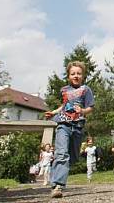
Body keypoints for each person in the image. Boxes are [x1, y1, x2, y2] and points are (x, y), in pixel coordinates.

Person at [44, 61, 95, 198]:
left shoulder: (86, 90)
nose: (76, 76)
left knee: (72, 157)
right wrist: (54, 112)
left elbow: (91, 107)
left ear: (83, 76)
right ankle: (57, 186)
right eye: (73, 73)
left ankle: (56, 174)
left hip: (77, 126)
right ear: (68, 76)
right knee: (61, 154)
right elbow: (64, 106)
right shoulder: (65, 90)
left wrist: (83, 110)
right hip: (63, 124)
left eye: (79, 73)